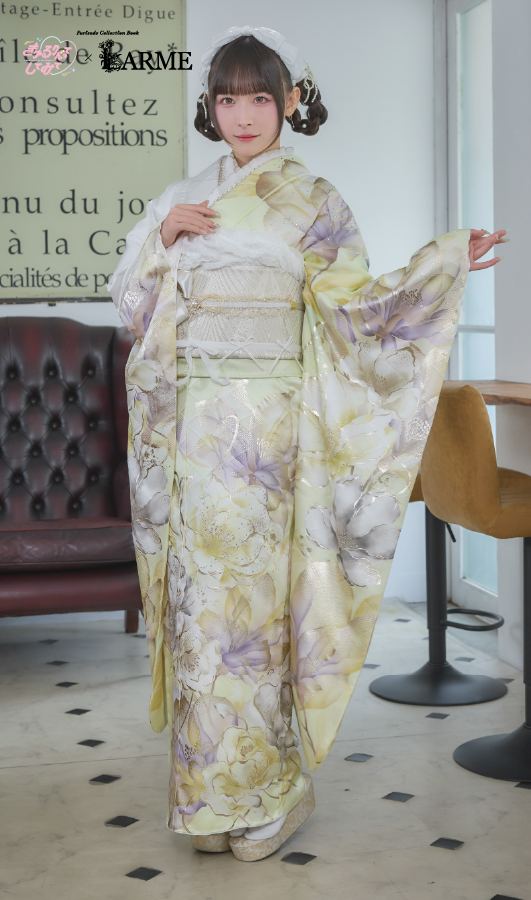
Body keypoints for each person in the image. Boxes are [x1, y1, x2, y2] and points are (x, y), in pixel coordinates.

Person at [107, 25, 506, 862]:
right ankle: (208, 800)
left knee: (256, 610)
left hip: (272, 437)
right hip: (193, 437)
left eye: (260, 97)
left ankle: (271, 792)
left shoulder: (315, 201)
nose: (243, 115)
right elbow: (135, 313)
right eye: (226, 99)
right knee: (200, 611)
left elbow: (359, 310)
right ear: (210, 107)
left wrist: (442, 264)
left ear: (290, 101)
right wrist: (161, 241)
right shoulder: (184, 197)